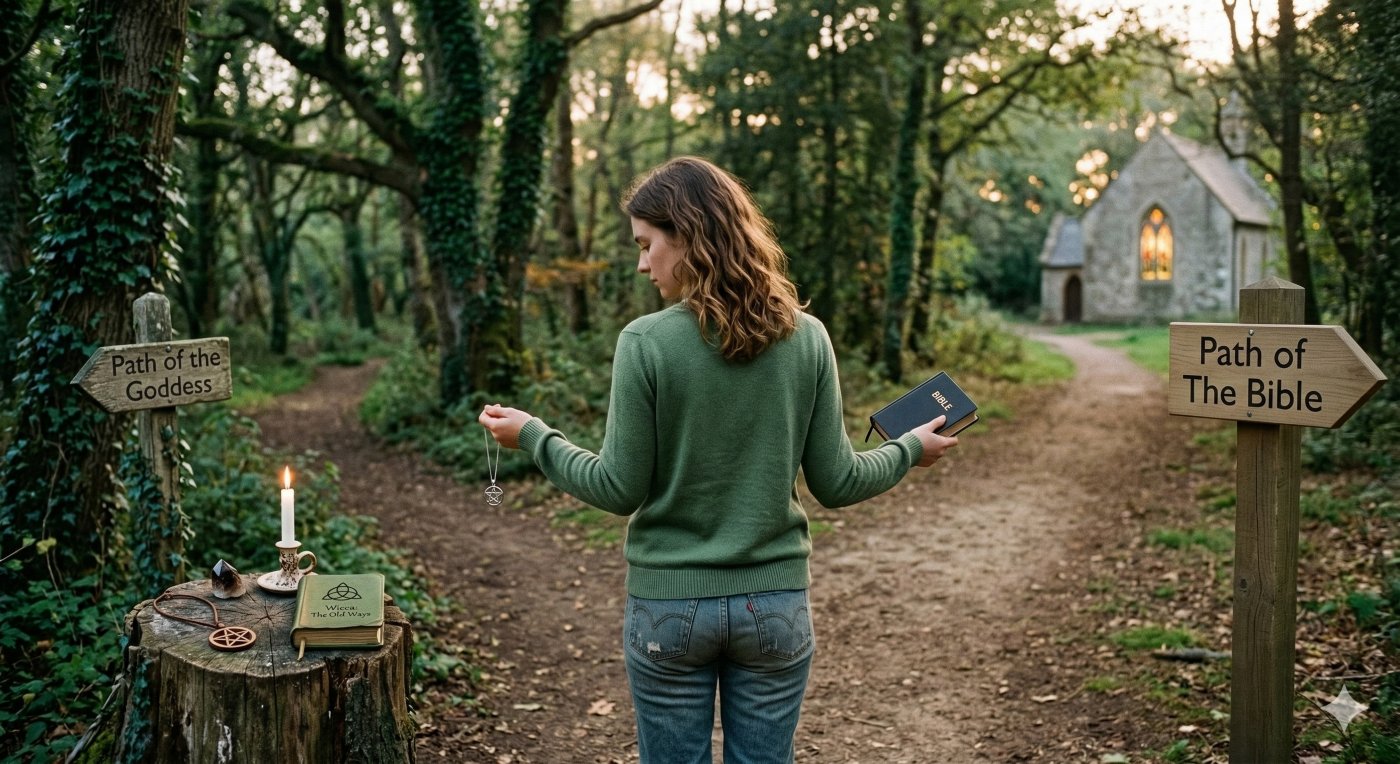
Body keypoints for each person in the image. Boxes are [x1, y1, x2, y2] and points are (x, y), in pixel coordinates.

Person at [479, 156, 957, 764]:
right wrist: (911, 447)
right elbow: (837, 482)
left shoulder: (645, 343)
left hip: (669, 609)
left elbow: (618, 488)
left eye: (648, 245)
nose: (641, 263)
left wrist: (535, 437)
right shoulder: (807, 338)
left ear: (689, 236)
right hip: (776, 608)